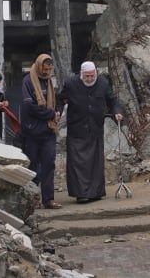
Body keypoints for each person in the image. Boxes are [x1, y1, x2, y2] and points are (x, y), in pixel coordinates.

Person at [57, 61, 122, 203]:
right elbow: (60, 99)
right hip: (76, 129)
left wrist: (116, 112)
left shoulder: (103, 83)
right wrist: (58, 111)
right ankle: (81, 194)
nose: (89, 78)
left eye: (92, 76)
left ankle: (95, 193)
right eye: (86, 76)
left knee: (95, 163)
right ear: (81, 74)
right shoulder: (71, 83)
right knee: (77, 163)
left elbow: (112, 101)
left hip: (95, 129)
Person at [21, 54, 61, 209]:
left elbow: (55, 102)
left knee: (49, 164)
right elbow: (29, 107)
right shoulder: (28, 81)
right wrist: (50, 114)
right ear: (38, 66)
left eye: (49, 69)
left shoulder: (49, 82)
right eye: (44, 70)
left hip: (48, 131)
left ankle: (48, 199)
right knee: (32, 166)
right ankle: (31, 199)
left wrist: (57, 112)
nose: (47, 72)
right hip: (32, 131)